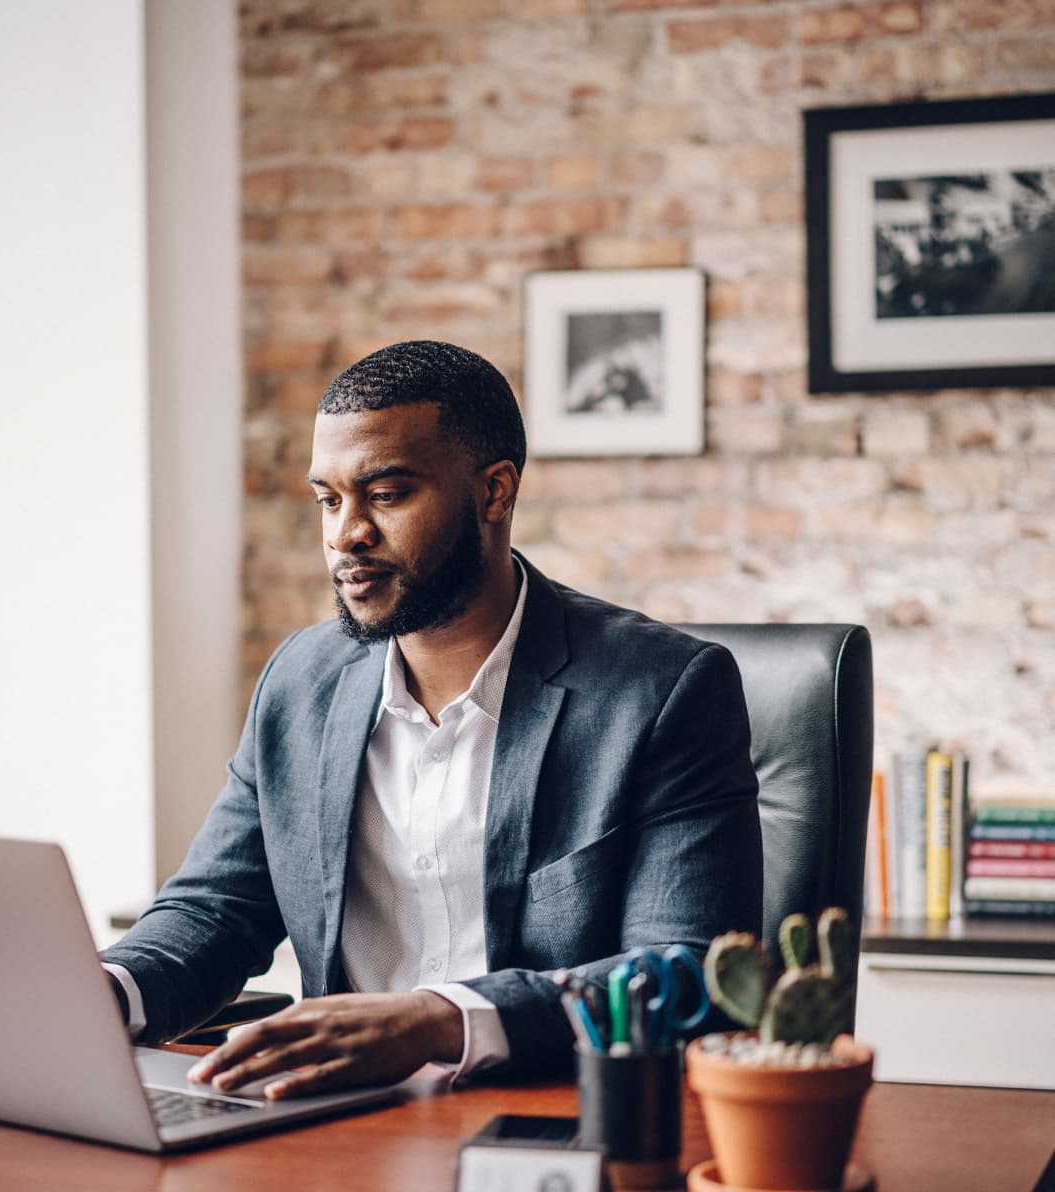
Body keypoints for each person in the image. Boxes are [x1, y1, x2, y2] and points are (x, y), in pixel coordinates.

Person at [101, 340, 762, 1099]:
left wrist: (435, 1020)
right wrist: (103, 995)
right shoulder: (300, 684)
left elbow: (683, 969)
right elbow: (215, 910)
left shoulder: (663, 691)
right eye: (328, 498)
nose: (345, 533)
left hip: (555, 1123)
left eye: (385, 494)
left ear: (495, 492)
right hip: (332, 1126)